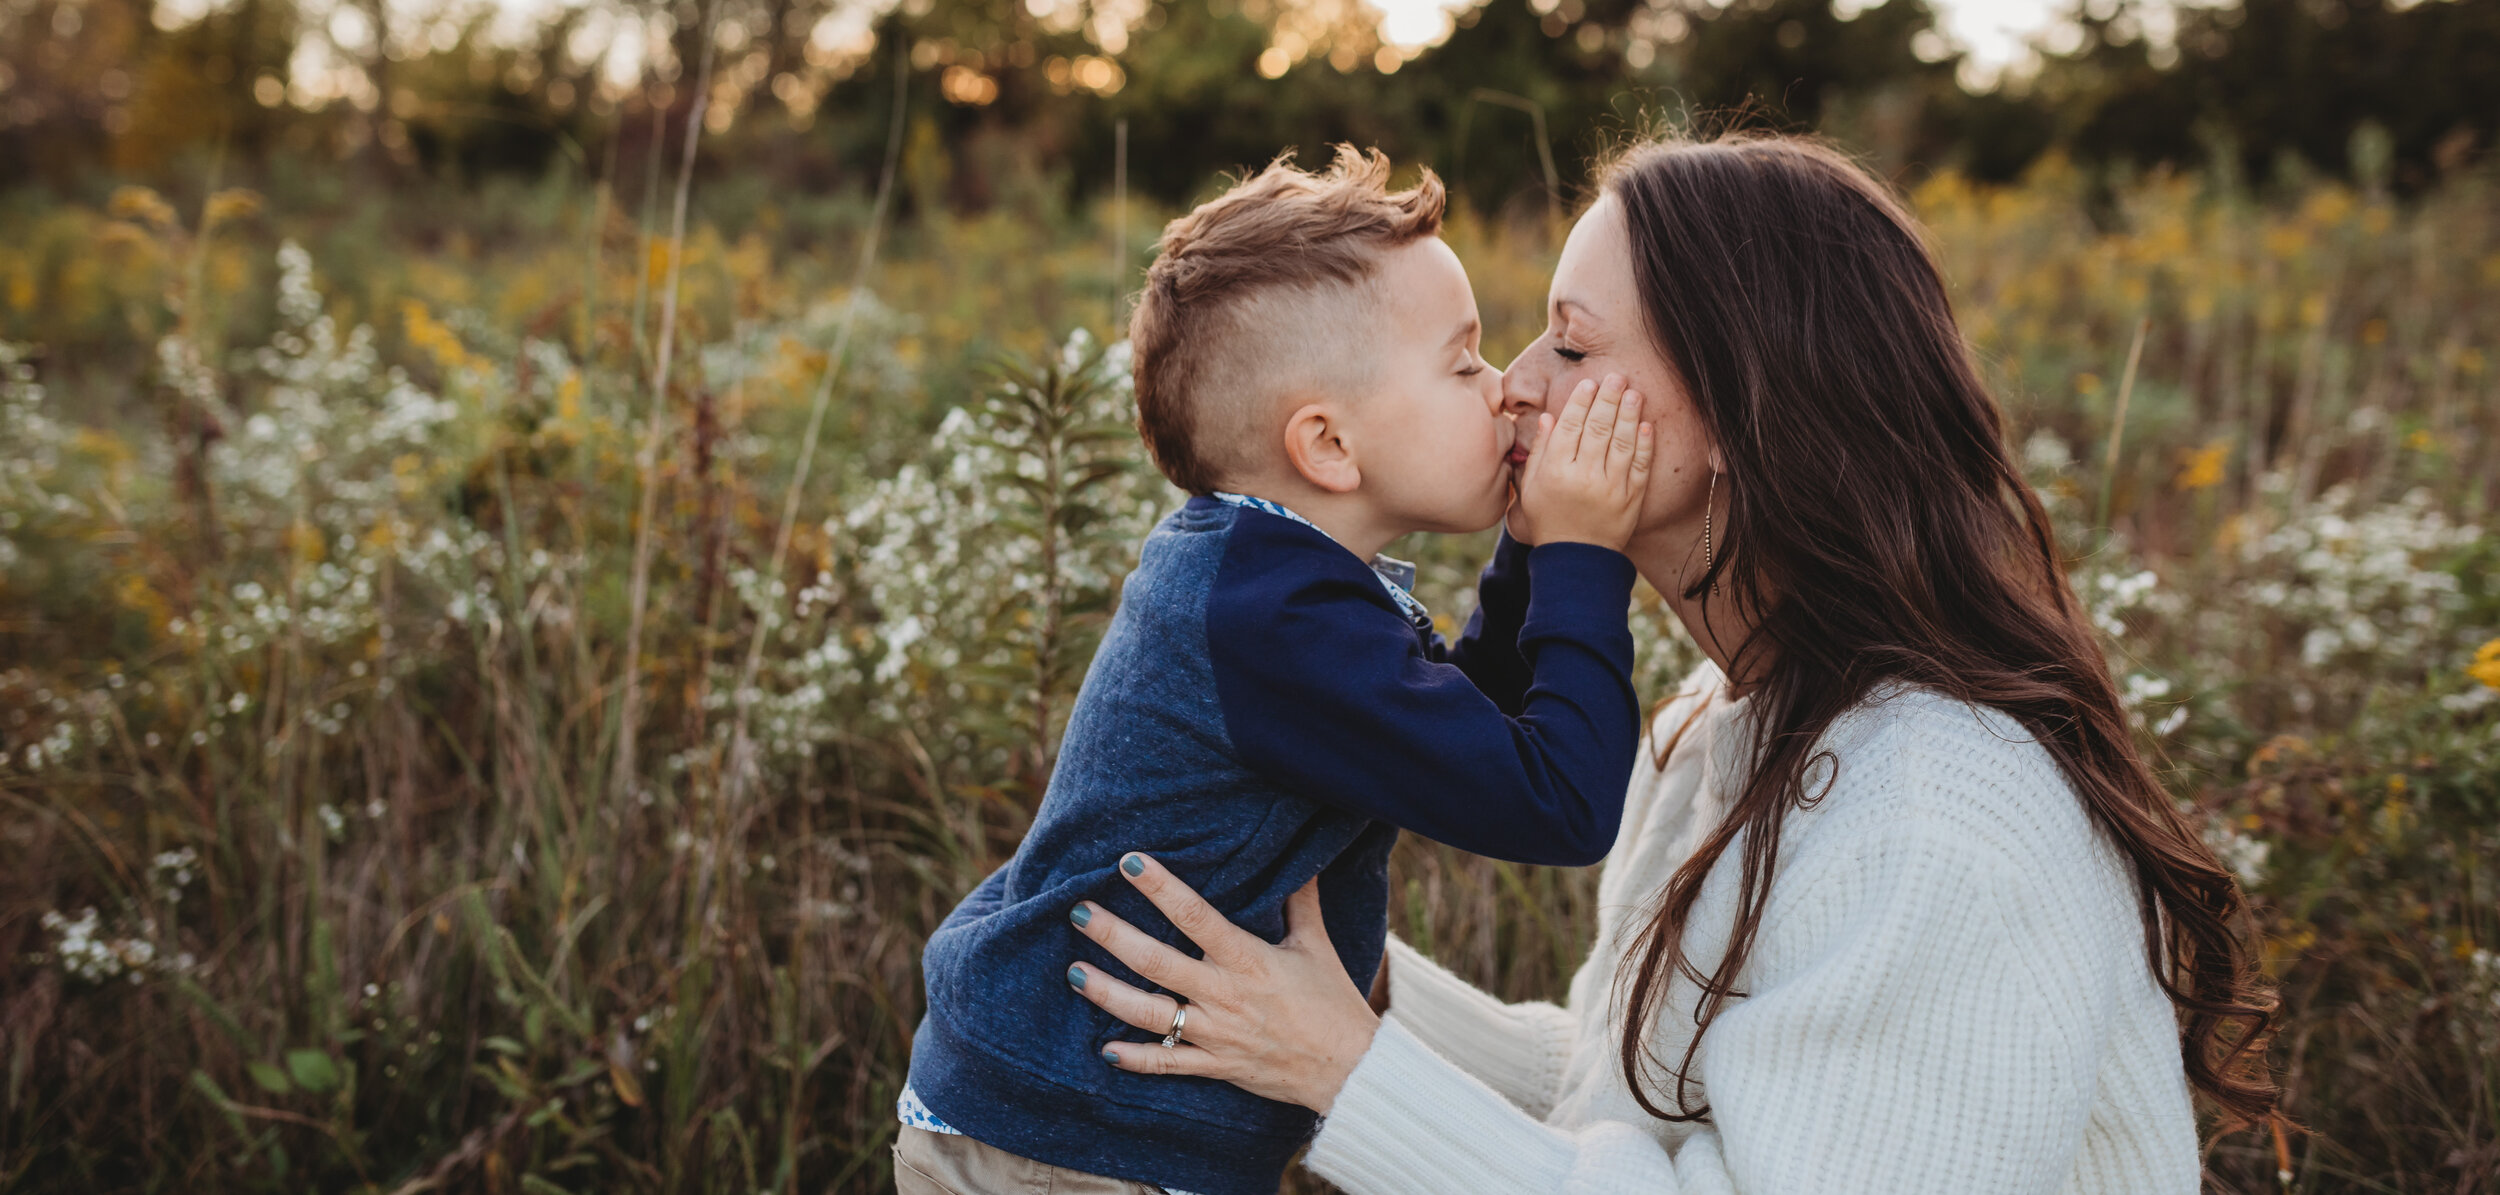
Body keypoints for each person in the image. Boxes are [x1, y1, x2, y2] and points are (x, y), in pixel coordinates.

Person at [1064, 133, 2280, 1194]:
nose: (1516, 392)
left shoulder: (1934, 816)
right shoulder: (1714, 721)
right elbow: (1618, 1091)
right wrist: (1343, 986)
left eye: (1571, 349)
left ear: (1752, 408)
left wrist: (1345, 1069)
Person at [896, 148, 1657, 1195]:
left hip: (1071, 1122)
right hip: (1072, 1147)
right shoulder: (1275, 615)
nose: (1508, 392)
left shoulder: (1265, 577)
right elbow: (1557, 802)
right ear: (1328, 443)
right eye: (1463, 362)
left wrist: (1531, 540)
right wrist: (1585, 555)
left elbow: (1458, 727)